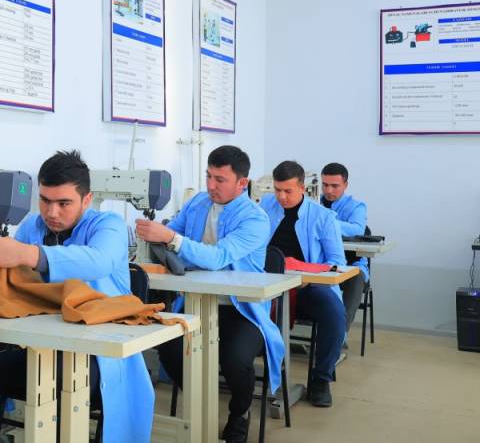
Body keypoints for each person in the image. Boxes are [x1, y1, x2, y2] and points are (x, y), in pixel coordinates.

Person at [0, 150, 154, 442]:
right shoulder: (32, 227)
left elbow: (98, 260)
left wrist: (28, 254)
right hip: (41, 344)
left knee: (54, 379)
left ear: (87, 200)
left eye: (64, 203)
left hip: (99, 355)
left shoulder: (108, 225)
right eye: (45, 201)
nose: (52, 212)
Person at [136, 145, 283, 443]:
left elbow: (217, 257)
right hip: (194, 303)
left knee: (235, 358)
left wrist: (172, 239)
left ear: (242, 183)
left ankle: (240, 412)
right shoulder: (198, 203)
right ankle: (199, 401)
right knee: (169, 347)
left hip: (240, 311)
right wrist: (156, 236)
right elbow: (170, 234)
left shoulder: (255, 219)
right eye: (208, 176)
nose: (211, 185)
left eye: (220, 179)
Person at [260, 160, 345, 407]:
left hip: (307, 286)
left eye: (287, 191)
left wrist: (306, 278)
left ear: (302, 188)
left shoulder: (323, 217)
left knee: (334, 313)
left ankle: (321, 379)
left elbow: (337, 262)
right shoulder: (264, 207)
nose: (281, 197)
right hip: (267, 283)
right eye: (277, 190)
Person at [320, 162, 369, 332]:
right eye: (325, 185)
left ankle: (340, 335)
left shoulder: (357, 206)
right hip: (322, 263)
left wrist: (326, 222)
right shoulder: (313, 203)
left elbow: (357, 229)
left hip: (352, 264)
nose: (328, 190)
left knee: (357, 277)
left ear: (346, 185)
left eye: (335, 186)